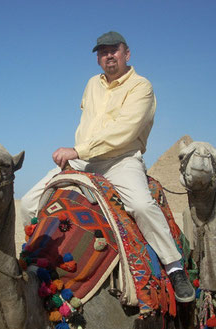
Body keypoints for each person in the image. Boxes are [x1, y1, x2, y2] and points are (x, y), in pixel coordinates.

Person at [20, 31, 195, 302]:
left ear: (127, 53)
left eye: (114, 50)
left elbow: (125, 131)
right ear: (98, 58)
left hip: (120, 160)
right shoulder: (92, 84)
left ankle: (174, 267)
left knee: (140, 205)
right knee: (29, 202)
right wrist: (78, 153)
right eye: (103, 52)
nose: (108, 55)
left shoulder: (141, 86)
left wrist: (78, 150)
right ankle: (39, 260)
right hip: (83, 160)